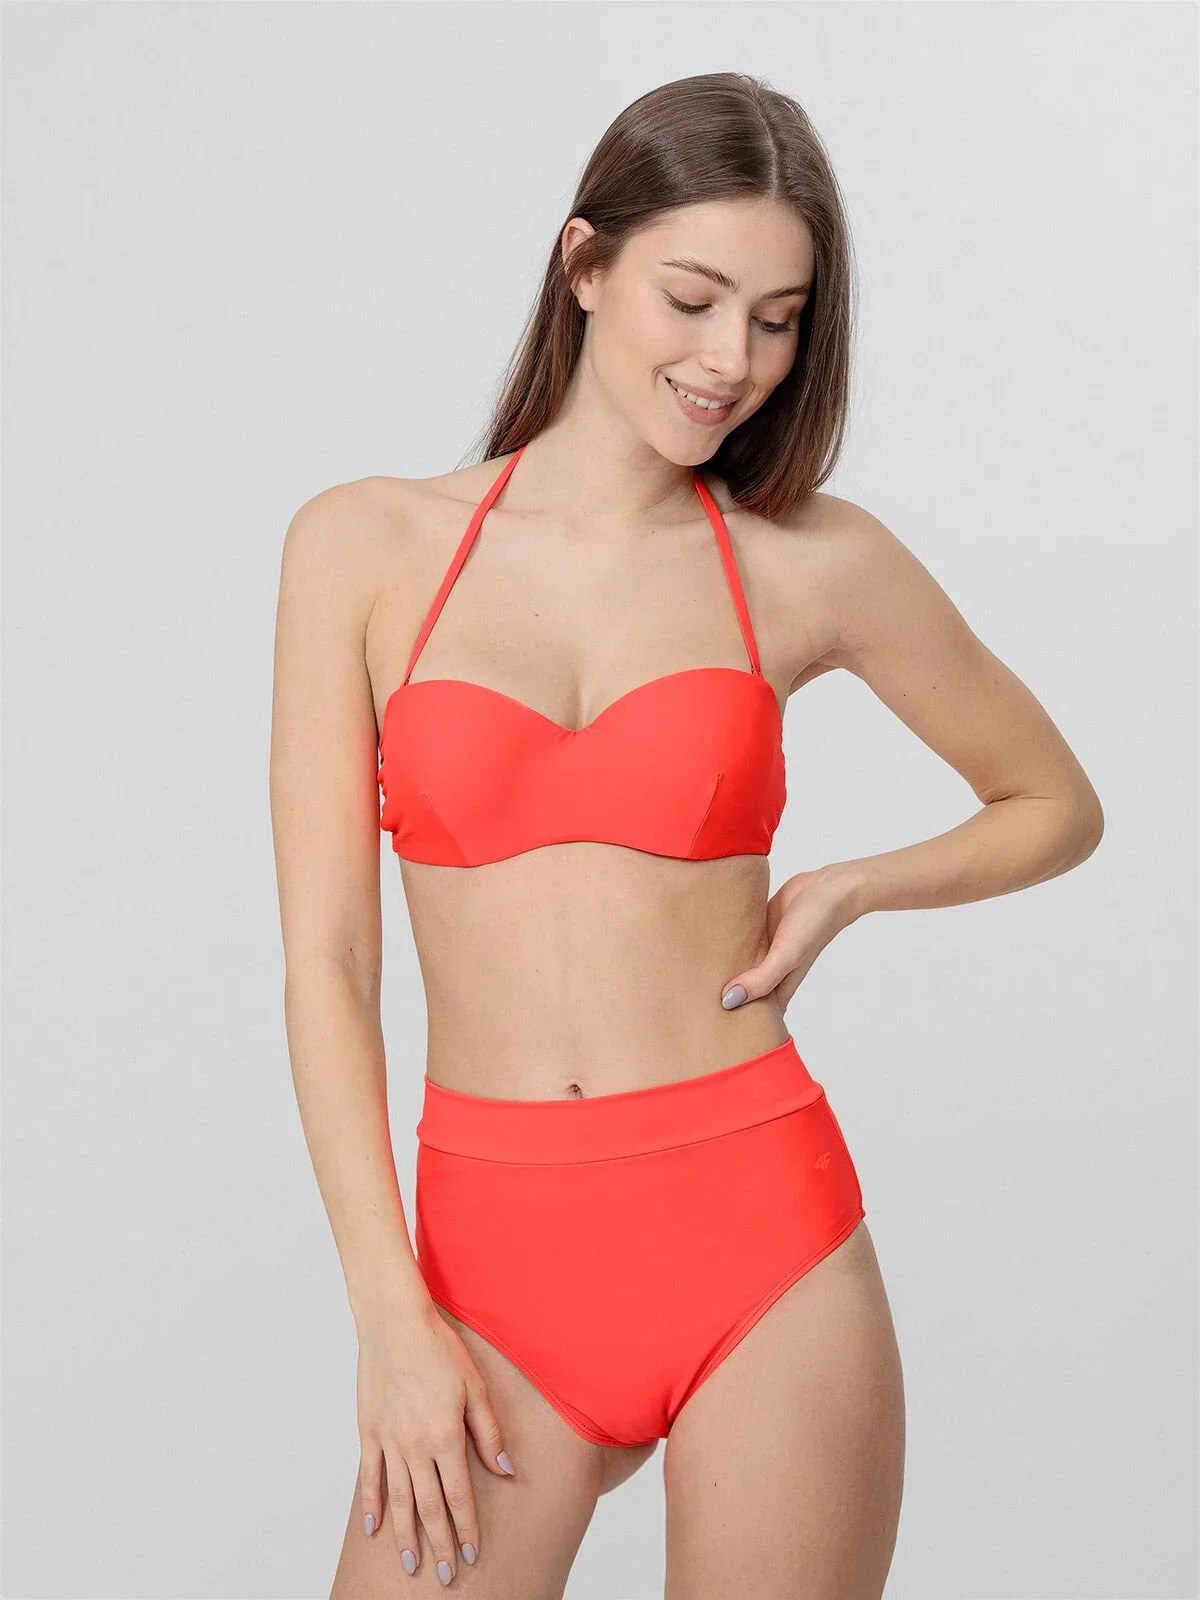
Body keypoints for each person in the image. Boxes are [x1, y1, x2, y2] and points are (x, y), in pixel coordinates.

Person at [269, 71, 1103, 1600]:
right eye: (695, 299)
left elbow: (1056, 803)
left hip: (761, 1239)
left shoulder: (808, 560)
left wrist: (853, 887)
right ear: (585, 264)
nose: (733, 360)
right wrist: (389, 1316)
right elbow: (329, 962)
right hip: (486, 1266)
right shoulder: (362, 547)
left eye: (778, 320)